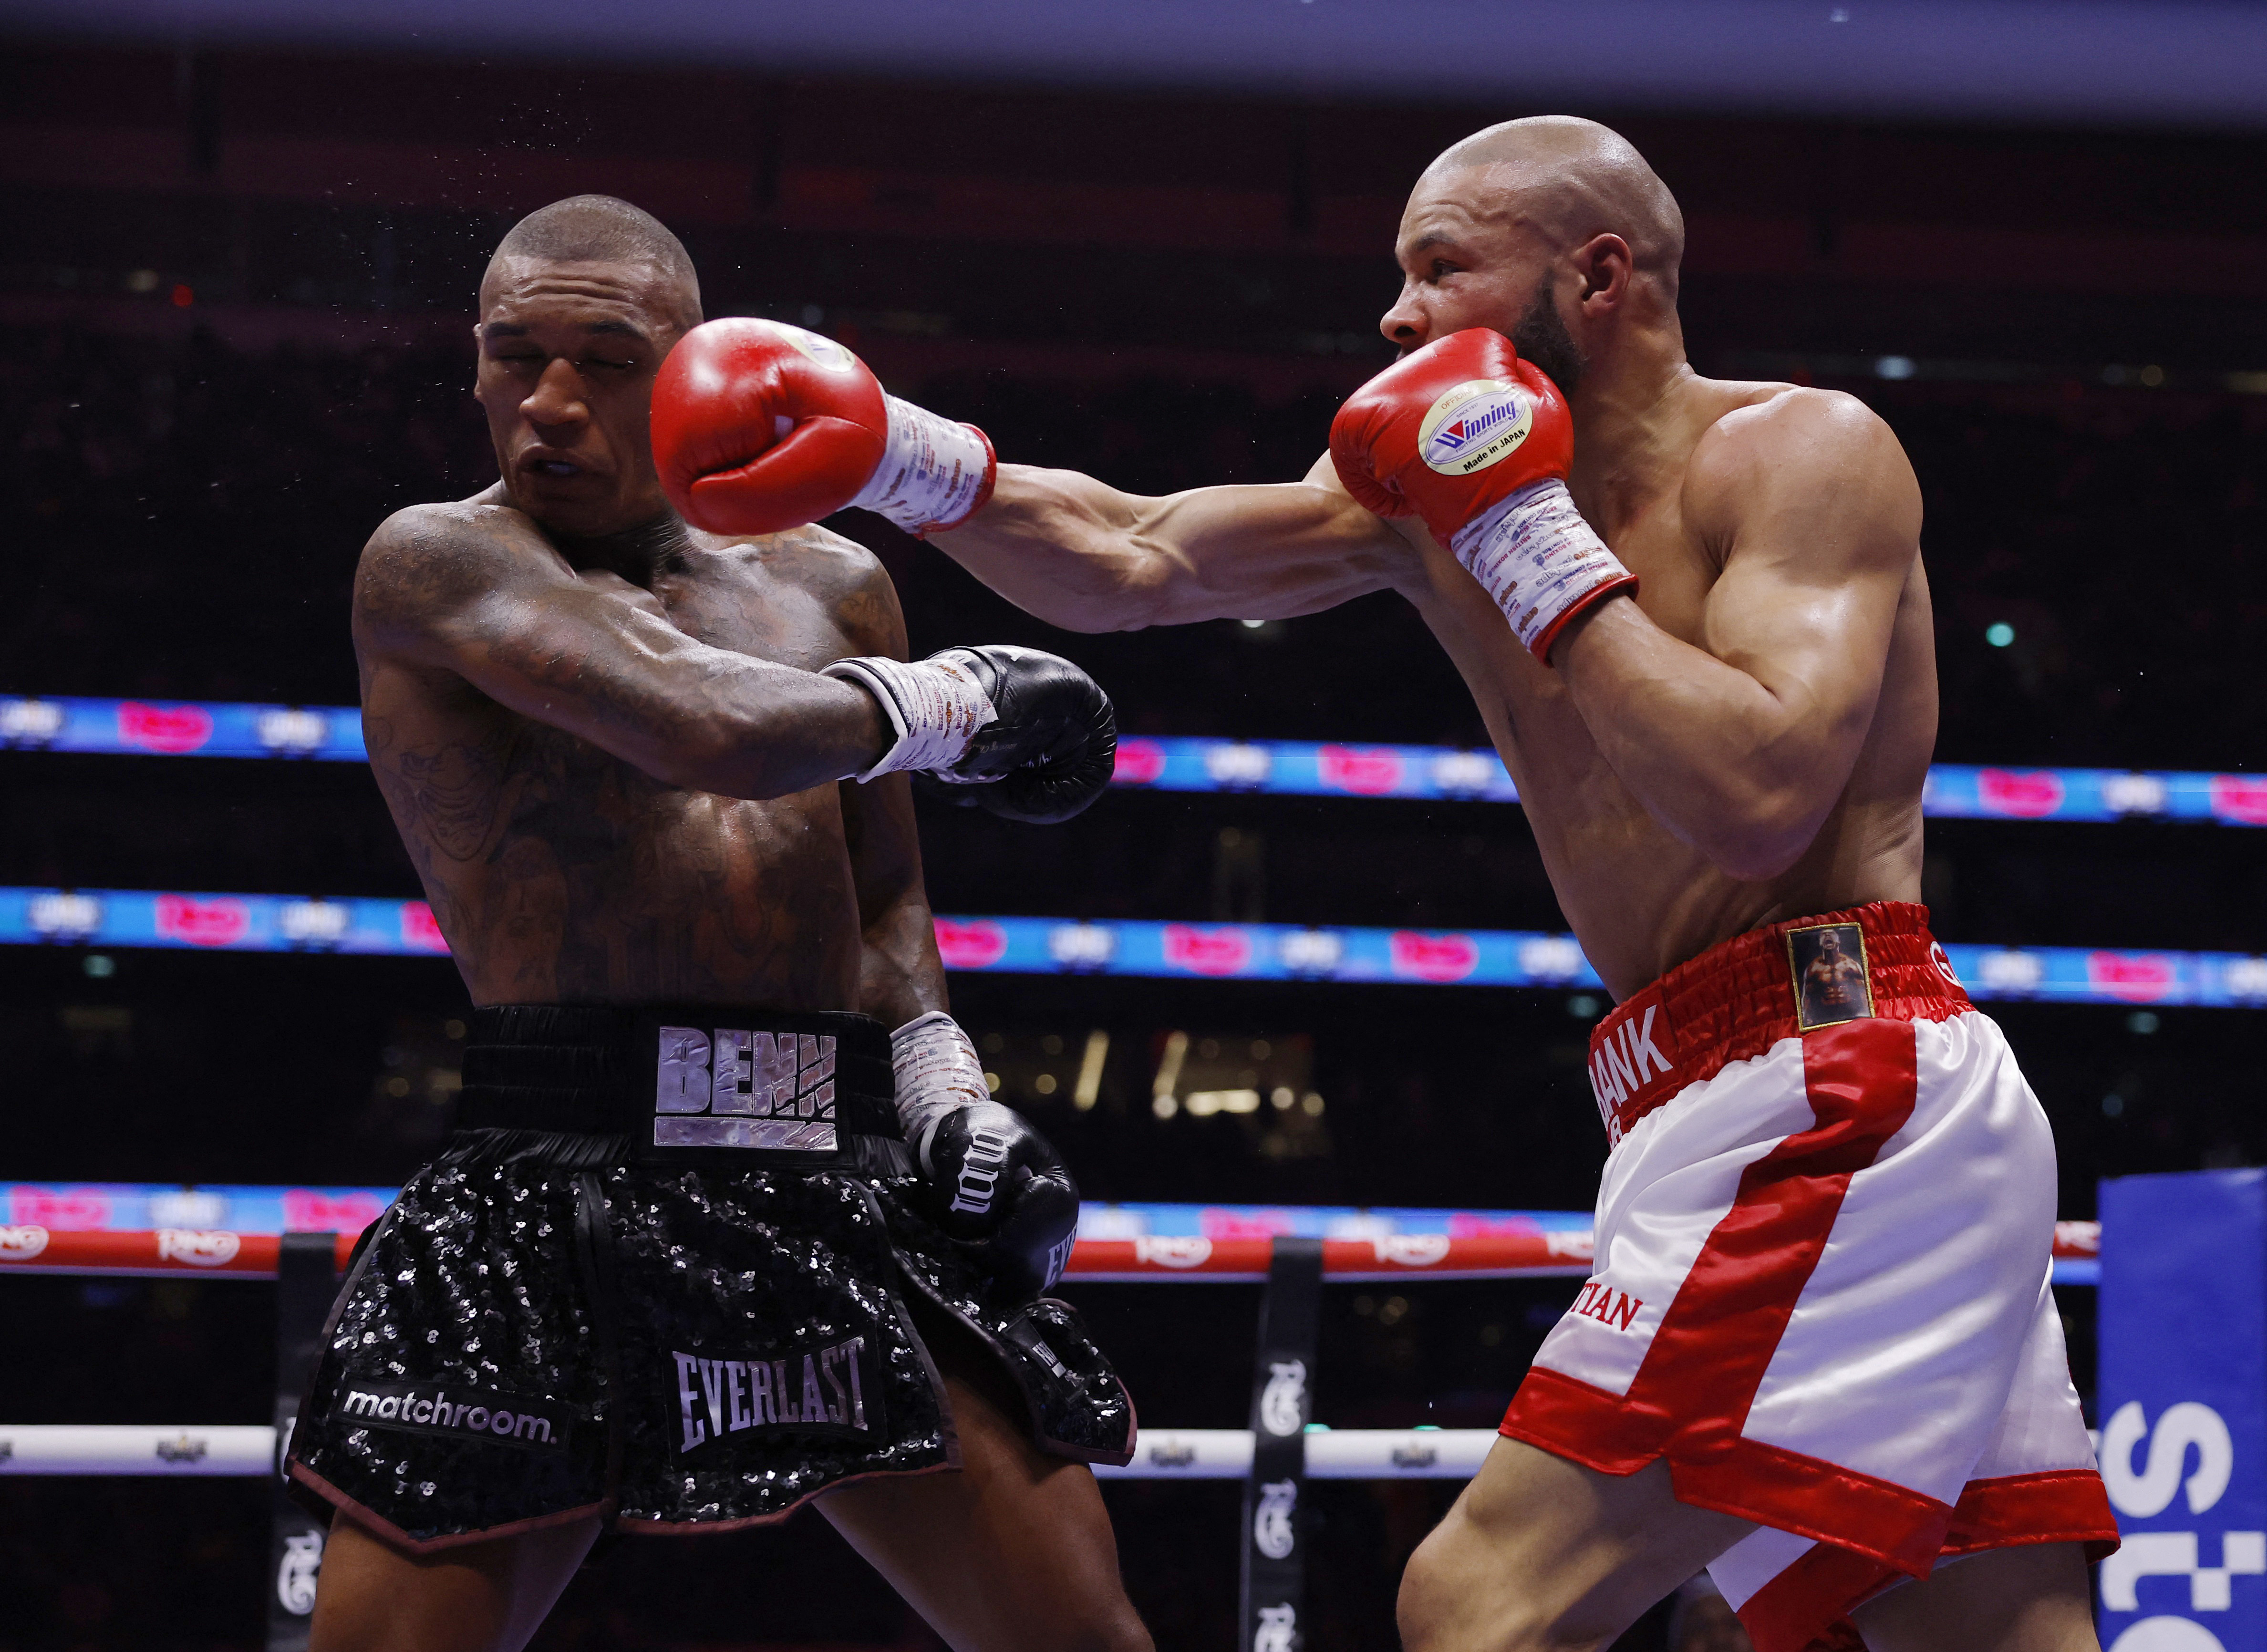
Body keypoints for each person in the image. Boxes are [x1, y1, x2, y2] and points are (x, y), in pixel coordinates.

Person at [655, 118, 2118, 1651]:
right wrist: (899, 451)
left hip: (1841, 1088)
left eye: (1440, 268)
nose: (1396, 316)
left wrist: (1522, 533)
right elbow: (1141, 555)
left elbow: (1756, 797)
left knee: (1478, 1601)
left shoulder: (1798, 452)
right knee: (1987, 1631)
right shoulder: (1422, 506)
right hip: (1705, 1088)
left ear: (1598, 274)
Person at [287, 194, 1150, 1652]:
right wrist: (960, 704)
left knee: (1080, 1636)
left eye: (606, 362)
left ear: (692, 366)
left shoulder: (836, 581)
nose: (547, 404)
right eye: (513, 357)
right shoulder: (435, 560)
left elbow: (880, 891)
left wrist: (941, 1086)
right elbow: (702, 726)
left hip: (831, 1161)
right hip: (558, 1163)